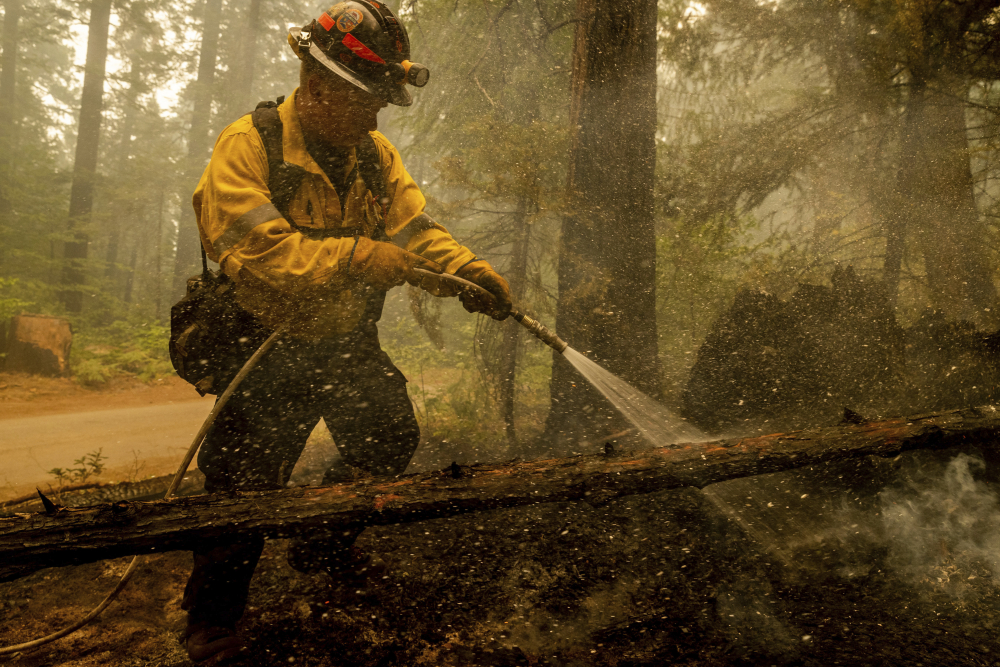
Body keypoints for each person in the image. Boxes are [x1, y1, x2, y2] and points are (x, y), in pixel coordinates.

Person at [179, 1, 512, 662]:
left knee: (388, 435)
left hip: (345, 342)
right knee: (239, 491)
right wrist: (359, 257)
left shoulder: (374, 155)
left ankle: (319, 540)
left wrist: (466, 272)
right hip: (262, 345)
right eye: (367, 101)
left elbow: (415, 230)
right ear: (318, 87)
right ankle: (212, 622)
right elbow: (259, 250)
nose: (376, 116)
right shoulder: (249, 145)